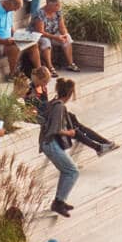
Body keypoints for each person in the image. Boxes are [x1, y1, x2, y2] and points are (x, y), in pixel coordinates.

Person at [40, 75, 82, 216]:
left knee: (67, 171)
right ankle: (58, 203)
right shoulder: (59, 107)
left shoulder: (54, 103)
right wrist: (69, 133)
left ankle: (60, 200)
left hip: (47, 143)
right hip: (51, 143)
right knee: (73, 171)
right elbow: (55, 130)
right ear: (69, 94)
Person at [0, 0, 33, 82]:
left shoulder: (9, 10)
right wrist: (4, 42)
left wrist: (18, 37)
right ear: (10, 3)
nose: (15, 11)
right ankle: (12, 74)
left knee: (33, 44)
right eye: (15, 8)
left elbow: (10, 27)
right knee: (14, 48)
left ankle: (39, 71)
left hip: (7, 41)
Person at [36, 0, 78, 72]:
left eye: (59, 5)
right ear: (49, 4)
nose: (58, 7)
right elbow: (40, 31)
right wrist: (56, 37)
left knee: (68, 38)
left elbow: (62, 27)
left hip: (55, 33)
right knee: (46, 42)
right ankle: (50, 67)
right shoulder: (40, 13)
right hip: (43, 35)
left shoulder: (58, 11)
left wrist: (64, 34)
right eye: (56, 5)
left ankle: (71, 64)